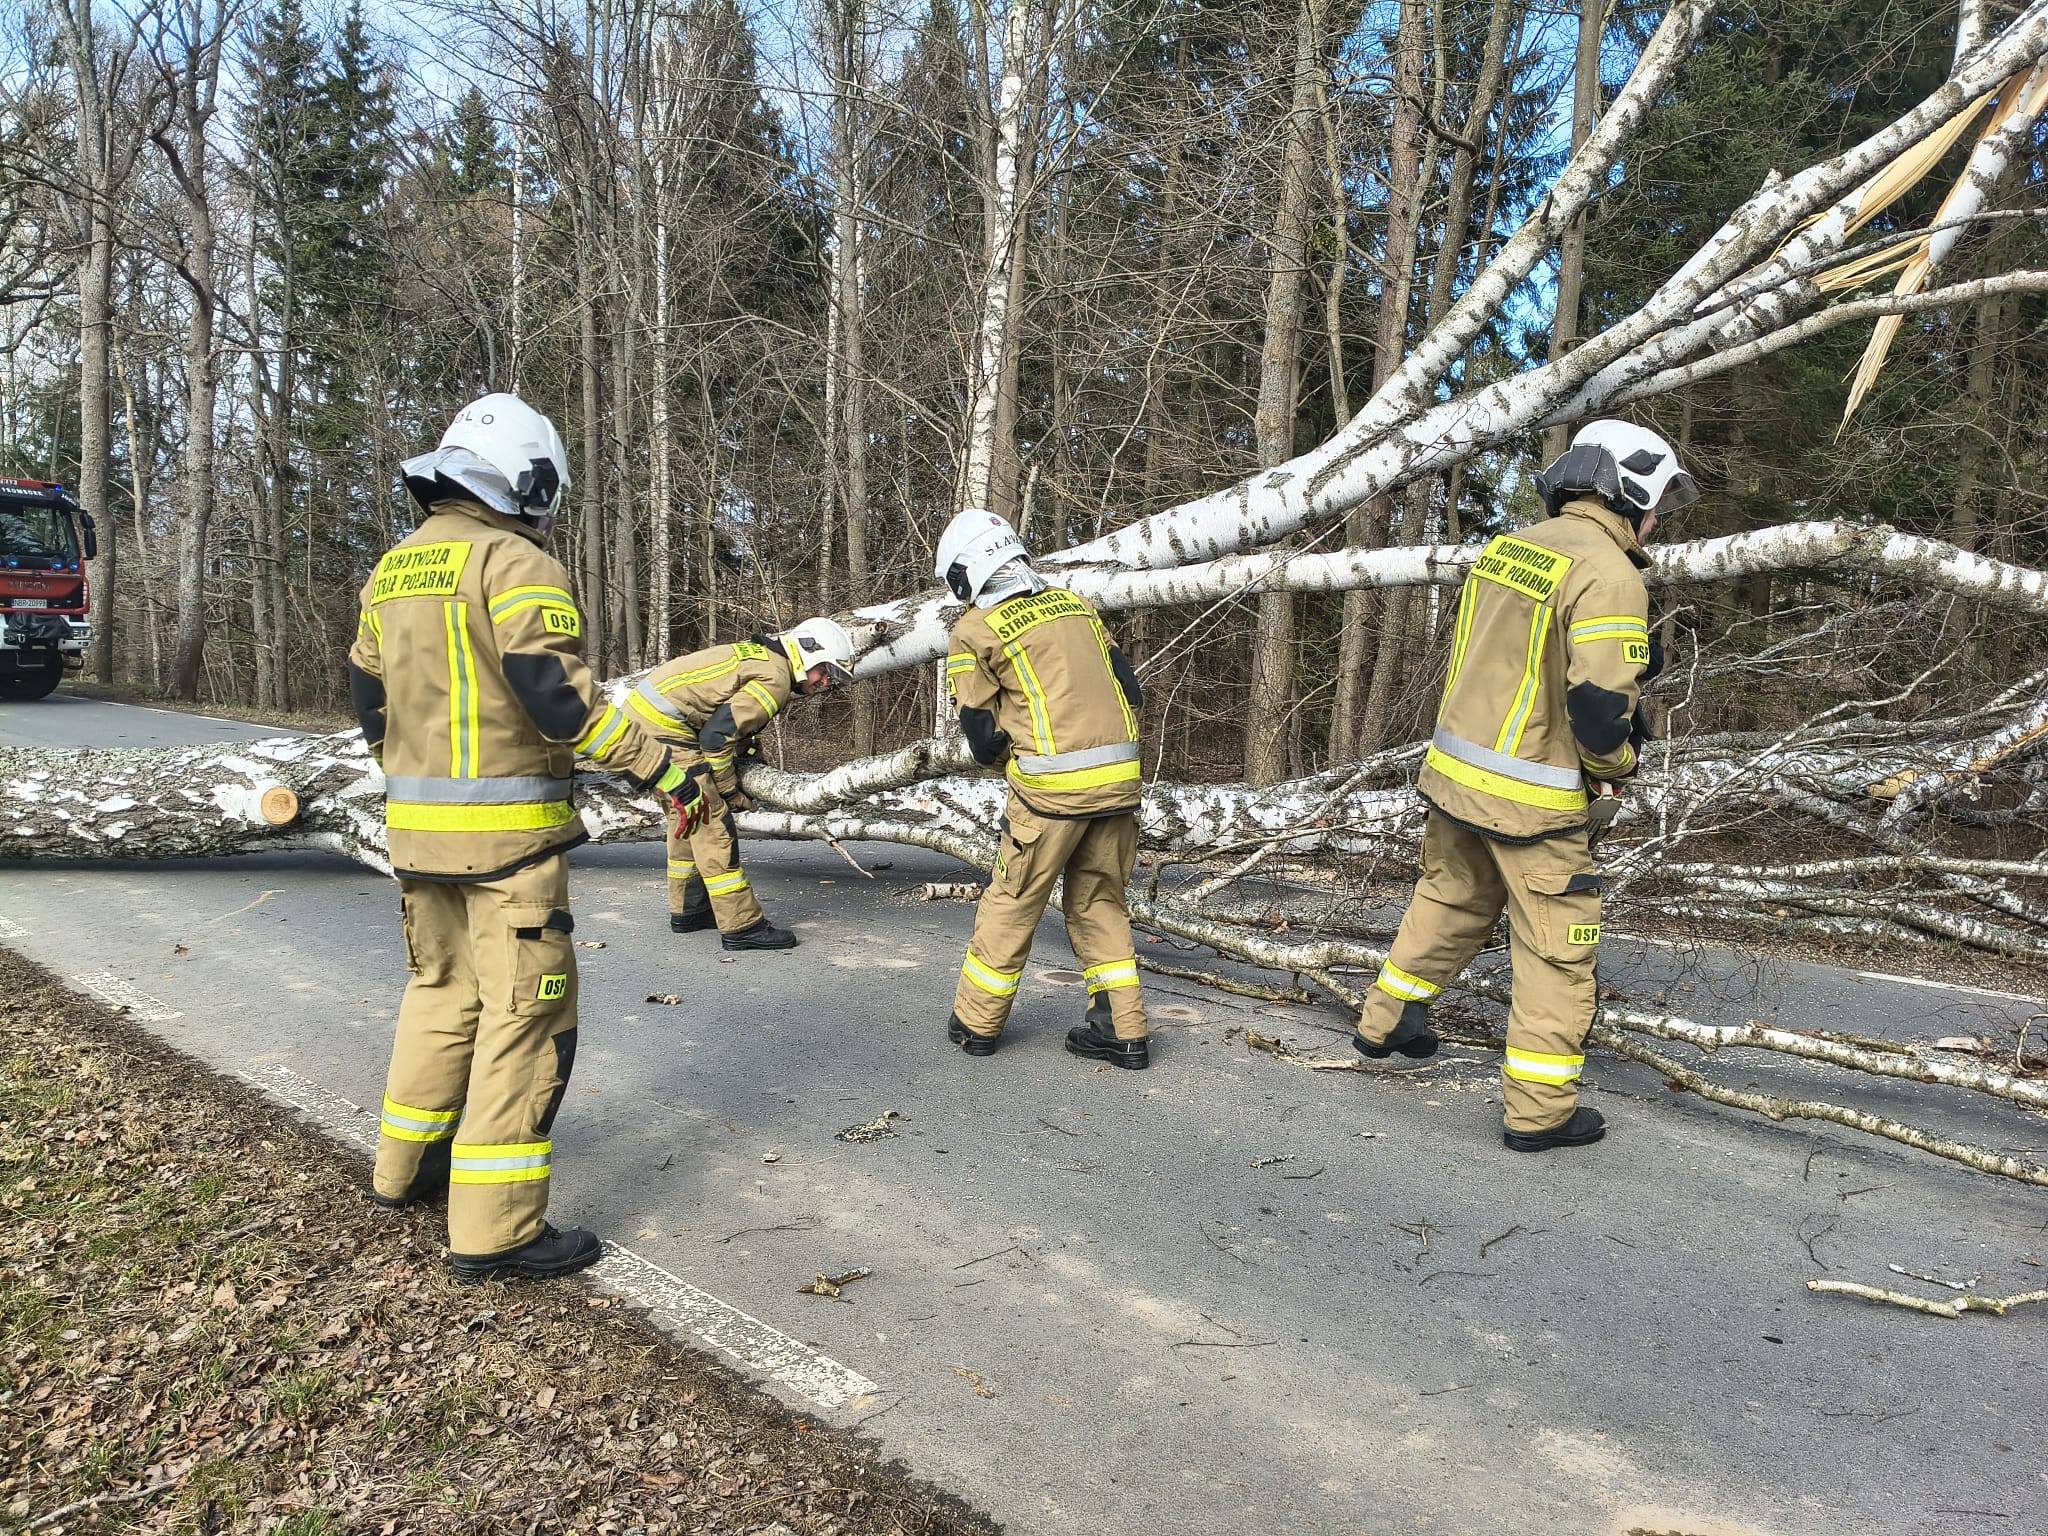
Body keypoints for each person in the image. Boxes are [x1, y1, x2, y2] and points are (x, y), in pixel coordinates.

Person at [346, 393, 708, 1283]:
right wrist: (663, 767)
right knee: (528, 1021)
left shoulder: (394, 570)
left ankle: (405, 1171)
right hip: (509, 847)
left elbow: (368, 705)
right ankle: (495, 1228)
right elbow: (561, 700)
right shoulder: (516, 564)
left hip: (417, 840)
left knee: (441, 995)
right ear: (528, 479)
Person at [1353, 419, 1695, 1150]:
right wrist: (1618, 769)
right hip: (1534, 801)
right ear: (1628, 490)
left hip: (1457, 777)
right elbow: (1601, 713)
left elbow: (1521, 656)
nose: (1660, 519)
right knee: (1556, 947)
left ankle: (1387, 1020)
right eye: (1660, 501)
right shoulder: (1611, 573)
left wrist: (1640, 657)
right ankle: (1539, 1113)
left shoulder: (1509, 550)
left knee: (1450, 897)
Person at [933, 508, 1152, 1069]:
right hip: (1123, 784)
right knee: (1100, 900)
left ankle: (976, 1025)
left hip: (1050, 796)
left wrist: (1013, 743)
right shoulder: (1079, 607)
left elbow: (982, 741)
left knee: (1013, 898)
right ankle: (1123, 1031)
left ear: (970, 571)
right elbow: (1132, 692)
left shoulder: (974, 630)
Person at [628, 618, 856, 949]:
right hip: (664, 731)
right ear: (807, 651)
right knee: (711, 822)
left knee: (686, 817)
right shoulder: (776, 677)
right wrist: (730, 792)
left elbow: (727, 721)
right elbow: (716, 738)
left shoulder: (763, 658)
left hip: (642, 724)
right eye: (825, 671)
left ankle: (689, 911)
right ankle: (742, 927)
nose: (825, 682)